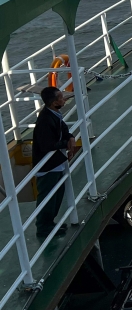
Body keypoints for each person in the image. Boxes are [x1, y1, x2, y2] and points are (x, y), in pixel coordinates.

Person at [32, 87, 77, 238]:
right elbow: (47, 145)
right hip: (48, 166)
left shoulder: (54, 114)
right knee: (48, 197)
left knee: (57, 195)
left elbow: (63, 128)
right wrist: (66, 143)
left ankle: (50, 223)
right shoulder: (45, 120)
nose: (63, 99)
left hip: (56, 163)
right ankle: (43, 227)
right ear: (53, 102)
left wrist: (70, 137)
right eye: (60, 97)